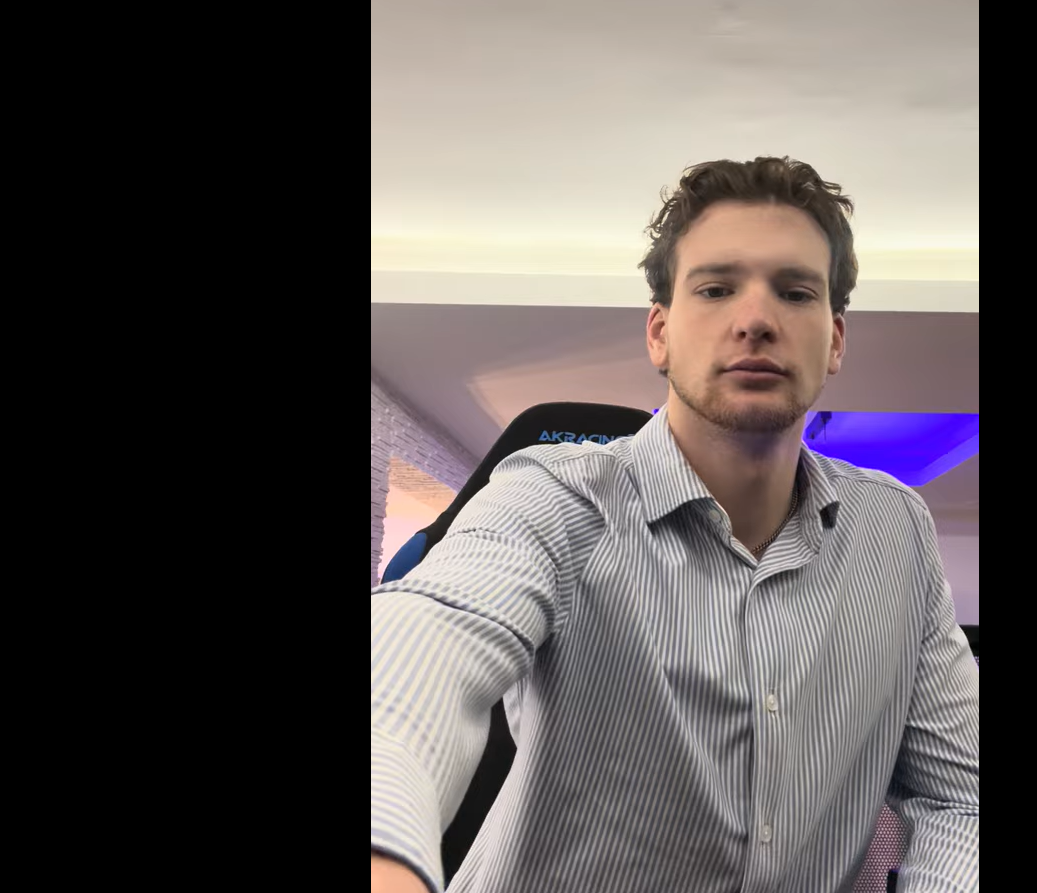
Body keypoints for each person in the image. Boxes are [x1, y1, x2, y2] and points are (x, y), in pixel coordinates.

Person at [371, 157, 979, 892]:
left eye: (795, 292)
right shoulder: (553, 497)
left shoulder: (896, 530)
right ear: (660, 333)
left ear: (836, 340)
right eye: (716, 289)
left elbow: (962, 795)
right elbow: (422, 650)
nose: (756, 319)